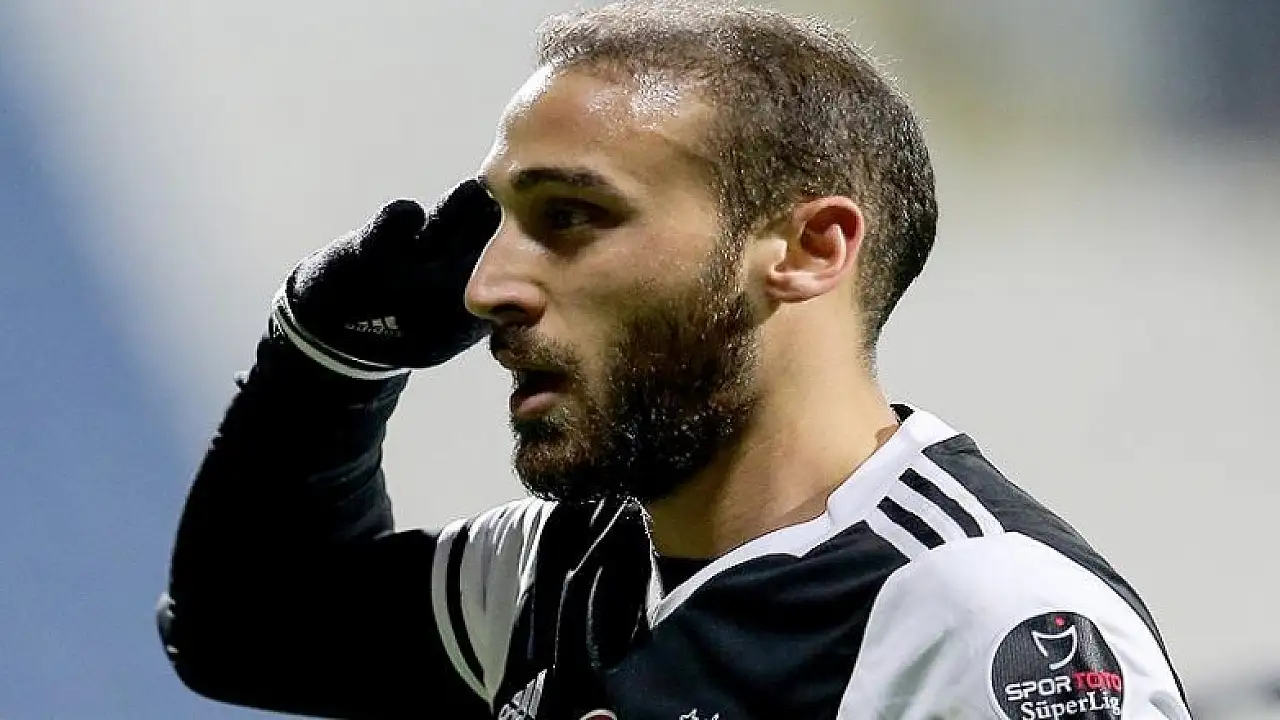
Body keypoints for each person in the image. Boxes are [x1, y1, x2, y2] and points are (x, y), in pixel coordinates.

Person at [157, 3, 1192, 719]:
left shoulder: (976, 618)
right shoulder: (566, 567)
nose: (487, 286)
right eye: (502, 221)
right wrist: (325, 359)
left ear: (808, 249)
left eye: (571, 215)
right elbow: (243, 632)